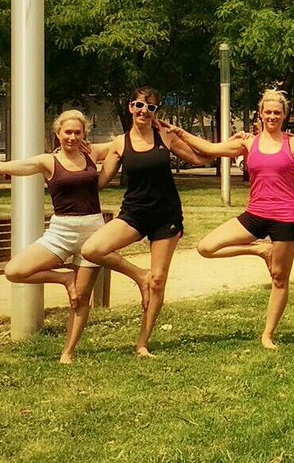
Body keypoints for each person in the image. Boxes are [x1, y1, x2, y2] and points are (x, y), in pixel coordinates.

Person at [162, 89, 294, 349]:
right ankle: (260, 250)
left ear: (285, 116)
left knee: (280, 278)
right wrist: (179, 132)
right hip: (255, 214)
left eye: (277, 112)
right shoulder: (248, 143)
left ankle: (267, 334)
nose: (272, 116)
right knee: (206, 247)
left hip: (285, 217)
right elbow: (210, 149)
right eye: (267, 112)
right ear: (260, 114)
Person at [0, 110, 147, 363]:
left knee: (80, 299)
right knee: (14, 270)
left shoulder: (91, 153)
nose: (72, 137)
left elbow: (124, 142)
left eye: (77, 132)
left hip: (92, 232)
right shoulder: (48, 161)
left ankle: (68, 353)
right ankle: (65, 278)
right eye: (67, 132)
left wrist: (149, 119)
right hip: (60, 232)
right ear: (57, 134)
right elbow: (6, 166)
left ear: (84, 134)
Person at [81, 86, 209, 358]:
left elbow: (202, 158)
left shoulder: (164, 136)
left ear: (156, 112)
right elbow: (101, 182)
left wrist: (182, 133)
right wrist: (72, 169)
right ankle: (140, 276)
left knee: (159, 280)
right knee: (92, 249)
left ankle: (142, 343)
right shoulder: (119, 143)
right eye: (139, 105)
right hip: (134, 213)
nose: (143, 111)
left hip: (167, 215)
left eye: (150, 107)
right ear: (130, 107)